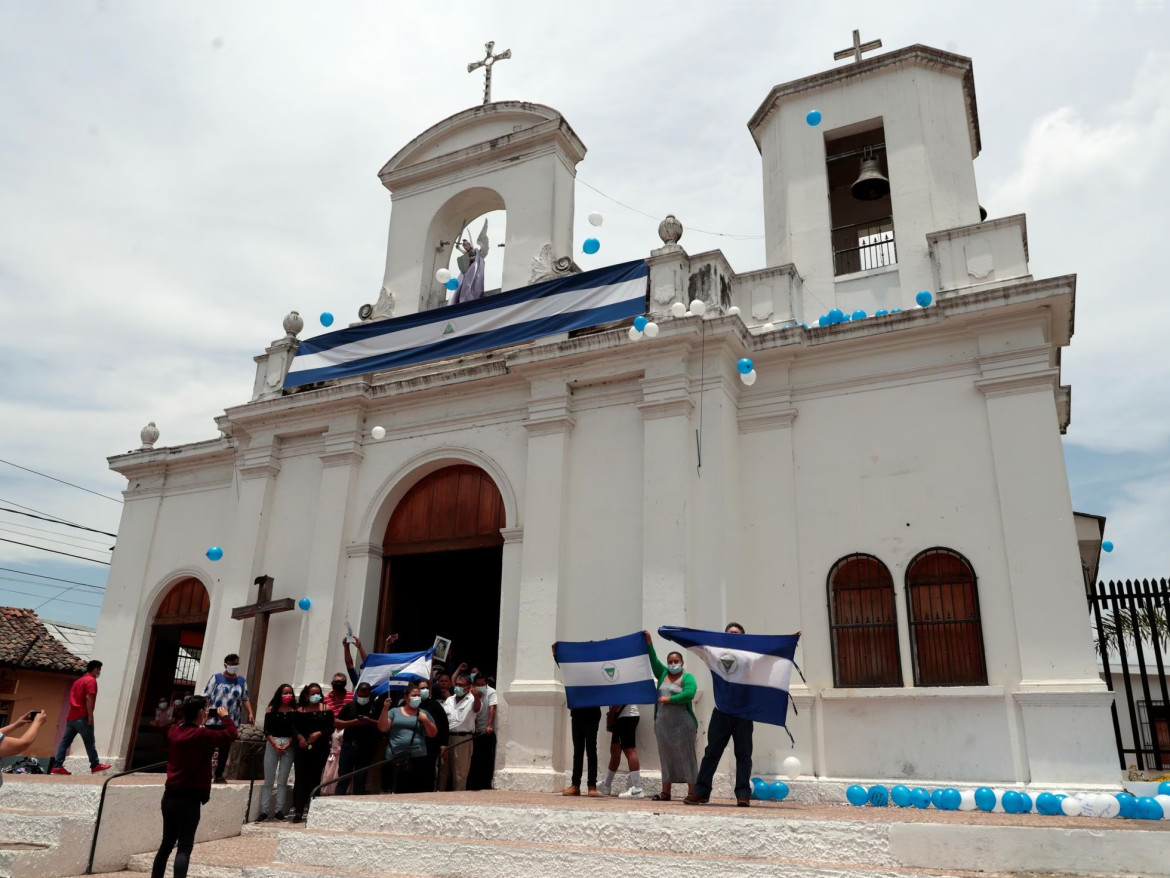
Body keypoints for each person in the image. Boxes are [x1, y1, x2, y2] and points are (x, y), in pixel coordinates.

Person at [150, 696, 237, 878]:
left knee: (166, 844)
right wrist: (225, 717)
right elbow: (231, 734)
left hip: (170, 796)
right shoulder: (202, 735)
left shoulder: (174, 731)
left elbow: (189, 730)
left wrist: (200, 722)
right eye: (204, 710)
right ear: (200, 713)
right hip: (189, 798)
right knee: (184, 847)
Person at [685, 622, 753, 807]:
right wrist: (677, 633)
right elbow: (698, 645)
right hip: (721, 712)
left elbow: (770, 655)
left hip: (743, 713)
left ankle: (743, 794)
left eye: (737, 633)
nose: (733, 635)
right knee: (711, 753)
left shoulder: (751, 656)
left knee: (744, 755)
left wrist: (788, 640)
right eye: (730, 633)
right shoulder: (716, 655)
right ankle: (701, 792)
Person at [643, 630, 698, 802]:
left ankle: (692, 792)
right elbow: (653, 660)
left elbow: (690, 694)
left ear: (682, 662)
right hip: (663, 726)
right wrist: (649, 643)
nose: (673, 663)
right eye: (670, 661)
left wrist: (670, 699)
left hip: (683, 725)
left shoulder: (688, 677)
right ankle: (666, 792)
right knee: (666, 757)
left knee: (688, 757)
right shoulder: (662, 674)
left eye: (676, 661)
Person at [50, 659, 110, 774]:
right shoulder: (91, 681)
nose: (99, 672)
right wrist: (90, 716)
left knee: (64, 742)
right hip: (83, 715)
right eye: (99, 669)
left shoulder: (78, 681)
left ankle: (57, 766)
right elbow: (89, 698)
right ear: (95, 669)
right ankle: (95, 764)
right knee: (89, 742)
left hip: (72, 716)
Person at [202, 654, 254, 783]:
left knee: (225, 749)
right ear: (226, 664)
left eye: (236, 664)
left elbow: (245, 698)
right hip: (214, 719)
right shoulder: (217, 678)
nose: (234, 666)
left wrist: (251, 713)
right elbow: (206, 696)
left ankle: (219, 774)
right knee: (208, 748)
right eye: (231, 664)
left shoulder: (241, 681)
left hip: (230, 720)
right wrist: (204, 711)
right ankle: (204, 773)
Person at [378, 682, 437, 793]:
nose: (417, 698)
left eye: (418, 695)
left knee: (414, 790)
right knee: (392, 788)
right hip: (395, 756)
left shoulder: (424, 713)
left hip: (417, 757)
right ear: (406, 697)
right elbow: (383, 728)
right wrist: (385, 709)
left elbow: (432, 733)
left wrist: (425, 720)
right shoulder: (394, 712)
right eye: (414, 695)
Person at [290, 682, 334, 822]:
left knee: (315, 778)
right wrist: (300, 737)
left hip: (320, 748)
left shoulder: (327, 709)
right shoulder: (300, 710)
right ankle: (298, 809)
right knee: (301, 778)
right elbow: (293, 727)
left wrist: (319, 734)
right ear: (307, 695)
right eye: (312, 694)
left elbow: (330, 728)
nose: (315, 696)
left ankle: (312, 808)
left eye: (318, 693)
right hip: (303, 747)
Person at [256, 683, 297, 822]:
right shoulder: (271, 709)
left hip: (288, 743)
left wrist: (287, 744)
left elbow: (295, 730)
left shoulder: (295, 710)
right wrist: (274, 744)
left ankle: (279, 810)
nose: (288, 695)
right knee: (269, 779)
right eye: (285, 693)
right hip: (273, 742)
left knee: (282, 780)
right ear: (279, 694)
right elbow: (267, 730)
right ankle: (264, 811)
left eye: (290, 693)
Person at [334, 681, 381, 795]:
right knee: (344, 777)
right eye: (361, 695)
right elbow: (336, 722)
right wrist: (352, 723)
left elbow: (382, 725)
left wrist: (369, 721)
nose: (363, 698)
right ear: (357, 693)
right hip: (349, 746)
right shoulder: (350, 706)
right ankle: (338, 799)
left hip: (366, 747)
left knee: (361, 779)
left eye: (366, 696)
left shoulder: (374, 707)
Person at [439, 672, 481, 792]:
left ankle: (458, 796)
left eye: (461, 685)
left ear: (468, 687)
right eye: (456, 684)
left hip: (462, 739)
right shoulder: (449, 700)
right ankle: (439, 796)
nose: (457, 687)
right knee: (443, 770)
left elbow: (477, 708)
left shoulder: (473, 699)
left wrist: (477, 696)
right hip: (447, 738)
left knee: (460, 773)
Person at [600, 700, 642, 798]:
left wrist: (611, 714)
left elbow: (621, 698)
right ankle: (606, 784)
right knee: (615, 749)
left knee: (629, 750)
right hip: (621, 716)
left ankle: (637, 788)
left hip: (626, 716)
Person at [466, 669, 498, 791]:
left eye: (482, 685)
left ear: (486, 683)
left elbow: (492, 708)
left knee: (486, 761)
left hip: (486, 733)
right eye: (477, 685)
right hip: (475, 732)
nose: (480, 687)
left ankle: (485, 785)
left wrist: (489, 725)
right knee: (475, 761)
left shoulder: (491, 692)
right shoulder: (472, 694)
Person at [417, 678, 449, 793]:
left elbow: (443, 725)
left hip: (431, 744)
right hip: (415, 745)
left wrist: (444, 744)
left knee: (429, 770)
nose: (425, 690)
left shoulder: (434, 705)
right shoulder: (411, 705)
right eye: (422, 688)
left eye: (426, 688)